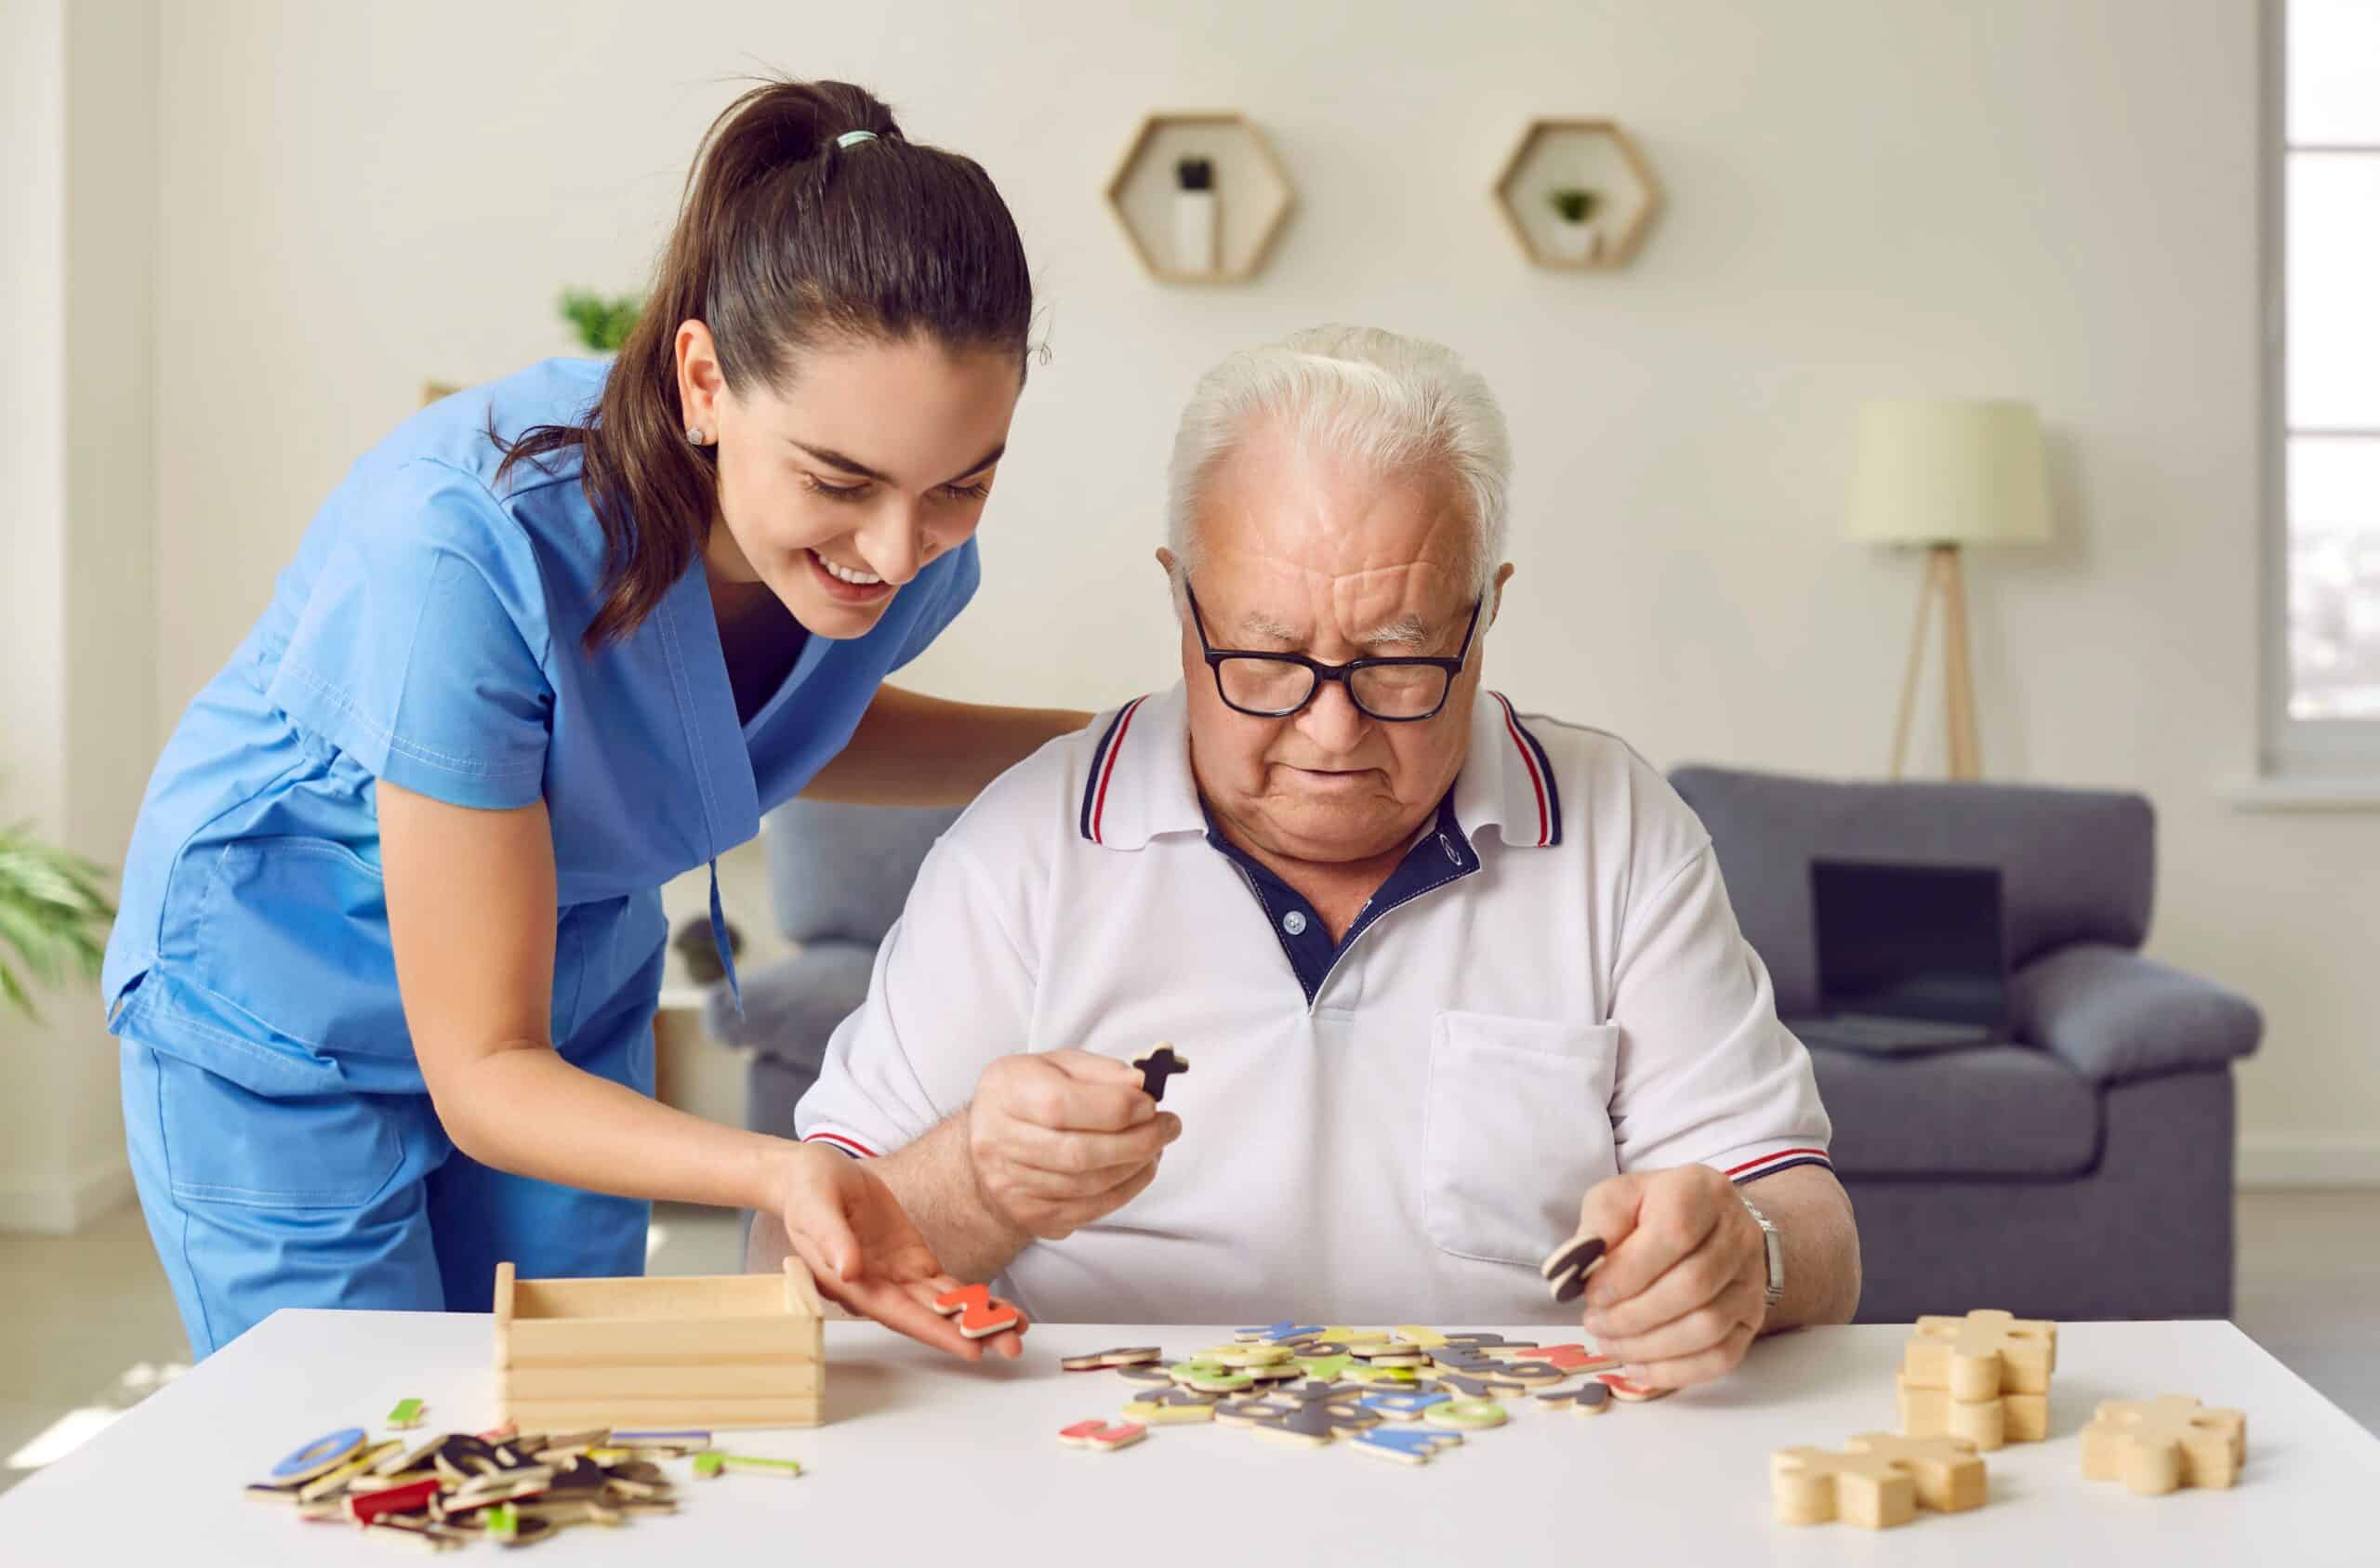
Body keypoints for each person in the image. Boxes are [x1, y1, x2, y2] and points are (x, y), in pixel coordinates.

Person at [103, 79, 1075, 1361]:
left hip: (561, 993)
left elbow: (776, 723)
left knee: (572, 1405)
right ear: (706, 379)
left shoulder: (887, 547)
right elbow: (485, 1064)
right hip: (285, 1005)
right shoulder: (467, 545)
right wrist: (781, 1173)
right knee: (368, 1437)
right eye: (840, 480)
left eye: (963, 481)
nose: (897, 548)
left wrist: (1123, 741)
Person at [771, 325, 1861, 1390]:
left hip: (1522, 1486)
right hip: (1106, 1489)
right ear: (1178, 602)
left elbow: (1815, 1232)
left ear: (1486, 612)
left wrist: (1745, 1257)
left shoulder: (1619, 829)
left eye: (1399, 659)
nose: (1331, 733)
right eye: (1267, 655)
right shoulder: (1025, 844)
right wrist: (976, 1181)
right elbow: (781, 1270)